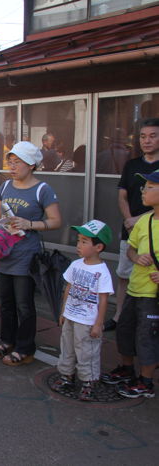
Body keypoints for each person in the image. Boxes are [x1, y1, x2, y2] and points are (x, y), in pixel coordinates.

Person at [0, 141, 62, 366]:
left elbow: (56, 221)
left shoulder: (43, 189)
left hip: (26, 255)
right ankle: (6, 340)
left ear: (31, 164)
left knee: (24, 304)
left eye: (17, 161)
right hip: (3, 254)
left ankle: (25, 347)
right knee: (5, 301)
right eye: (10, 161)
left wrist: (30, 223)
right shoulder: (6, 186)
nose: (12, 165)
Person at [105, 119, 159, 333]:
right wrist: (129, 220)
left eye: (153, 135)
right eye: (143, 136)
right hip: (130, 230)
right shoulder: (132, 164)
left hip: (152, 230)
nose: (147, 140)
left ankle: (148, 322)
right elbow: (122, 195)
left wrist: (140, 220)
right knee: (124, 274)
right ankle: (120, 317)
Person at [52, 220, 113, 401]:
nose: (78, 245)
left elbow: (103, 299)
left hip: (87, 320)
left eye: (84, 241)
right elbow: (68, 288)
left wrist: (98, 323)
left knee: (87, 350)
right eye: (78, 240)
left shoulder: (102, 271)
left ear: (98, 247)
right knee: (67, 347)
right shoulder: (76, 264)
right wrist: (63, 311)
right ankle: (66, 376)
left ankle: (89, 382)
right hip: (71, 316)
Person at [115, 169, 159, 398]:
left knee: (147, 337)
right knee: (125, 329)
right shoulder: (144, 221)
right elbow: (131, 250)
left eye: (150, 187)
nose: (143, 191)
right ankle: (126, 369)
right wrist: (135, 257)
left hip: (153, 296)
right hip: (135, 288)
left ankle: (146, 381)